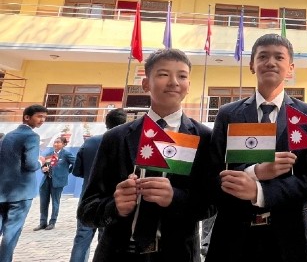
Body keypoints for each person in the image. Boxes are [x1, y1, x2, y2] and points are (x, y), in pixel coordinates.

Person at [78, 48, 213, 262]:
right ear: (145, 84)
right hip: (118, 254)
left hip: (177, 255)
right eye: (163, 74)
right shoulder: (116, 138)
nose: (173, 82)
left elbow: (210, 204)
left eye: (182, 76)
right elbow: (87, 209)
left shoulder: (204, 138)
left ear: (189, 85)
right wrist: (115, 206)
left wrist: (175, 197)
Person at [206, 34, 307, 262]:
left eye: (279, 57)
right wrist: (255, 172)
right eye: (263, 57)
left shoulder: (306, 115)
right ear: (252, 65)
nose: (271, 62)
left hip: (290, 239)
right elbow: (212, 176)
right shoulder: (228, 114)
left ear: (290, 68)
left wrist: (260, 192)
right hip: (234, 238)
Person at [68, 108, 127, 262]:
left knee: (82, 239)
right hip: (112, 200)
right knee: (105, 240)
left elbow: (77, 171)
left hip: (88, 197)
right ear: (125, 122)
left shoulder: (90, 142)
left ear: (106, 123)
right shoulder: (125, 143)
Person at [0, 105, 47, 262]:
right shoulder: (32, 136)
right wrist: (40, 161)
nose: (42, 120)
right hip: (21, 192)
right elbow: (31, 165)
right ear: (27, 117)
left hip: (3, 191)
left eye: (44, 117)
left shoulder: (8, 136)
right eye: (39, 116)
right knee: (11, 232)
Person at [34, 136, 75, 231]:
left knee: (55, 202)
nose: (55, 144)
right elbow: (44, 166)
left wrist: (66, 173)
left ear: (64, 144)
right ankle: (42, 223)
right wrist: (43, 169)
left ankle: (52, 222)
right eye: (54, 142)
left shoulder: (66, 154)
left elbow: (75, 163)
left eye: (58, 142)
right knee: (43, 202)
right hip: (46, 181)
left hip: (58, 182)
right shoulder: (49, 154)